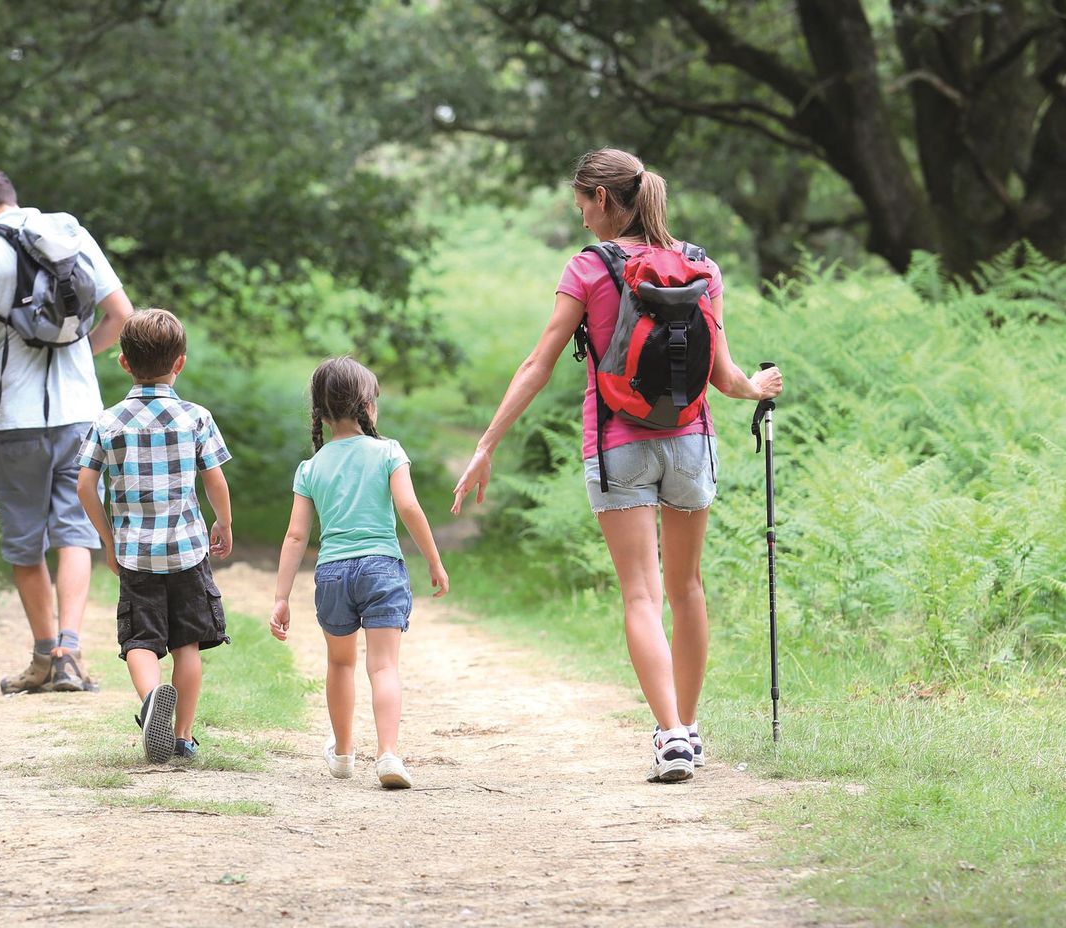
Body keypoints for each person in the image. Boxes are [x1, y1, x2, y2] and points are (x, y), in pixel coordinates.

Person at [450, 147, 783, 783]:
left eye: (581, 205)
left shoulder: (589, 269)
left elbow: (539, 363)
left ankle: (671, 736)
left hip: (617, 443)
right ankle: (689, 728)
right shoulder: (701, 267)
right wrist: (758, 388)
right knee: (688, 588)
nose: (580, 220)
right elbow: (723, 375)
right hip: (692, 442)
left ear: (603, 200)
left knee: (641, 591)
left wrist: (487, 442)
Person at [0, 165, 133, 695]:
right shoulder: (70, 234)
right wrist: (80, 351)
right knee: (75, 531)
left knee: (25, 541)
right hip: (81, 413)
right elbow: (122, 314)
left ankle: (41, 657)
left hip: (15, 419)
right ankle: (70, 654)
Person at [269, 356, 449, 790]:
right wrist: (433, 559)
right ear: (367, 406)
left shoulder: (310, 468)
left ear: (320, 413)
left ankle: (345, 754)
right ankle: (388, 754)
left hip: (332, 573)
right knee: (383, 667)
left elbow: (296, 536)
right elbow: (408, 506)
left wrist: (281, 596)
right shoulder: (388, 451)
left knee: (340, 664)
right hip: (381, 568)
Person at [76, 308, 233, 764]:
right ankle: (182, 737)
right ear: (180, 362)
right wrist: (222, 522)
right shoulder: (195, 418)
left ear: (123, 362)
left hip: (134, 553)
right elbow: (215, 480)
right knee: (187, 644)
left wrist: (108, 540)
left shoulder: (108, 421)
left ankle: (150, 702)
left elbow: (85, 484)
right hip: (186, 549)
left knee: (140, 641)